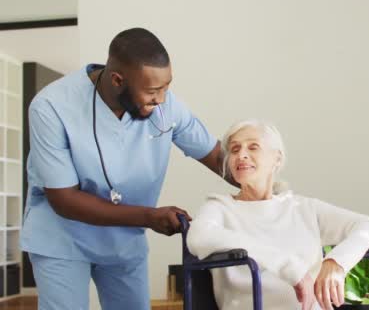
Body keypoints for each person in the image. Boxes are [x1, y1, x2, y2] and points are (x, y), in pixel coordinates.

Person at [21, 28, 229, 310]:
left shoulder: (166, 106)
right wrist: (148, 217)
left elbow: (219, 157)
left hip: (124, 239)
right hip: (62, 238)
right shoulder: (51, 107)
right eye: (153, 91)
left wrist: (266, 186)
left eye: (166, 87)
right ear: (118, 80)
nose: (162, 100)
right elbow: (64, 200)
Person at [186, 120, 369, 310]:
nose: (241, 155)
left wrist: (336, 263)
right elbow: (198, 237)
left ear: (277, 158)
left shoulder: (303, 208)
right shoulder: (219, 207)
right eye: (235, 149)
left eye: (253, 146)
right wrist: (287, 266)